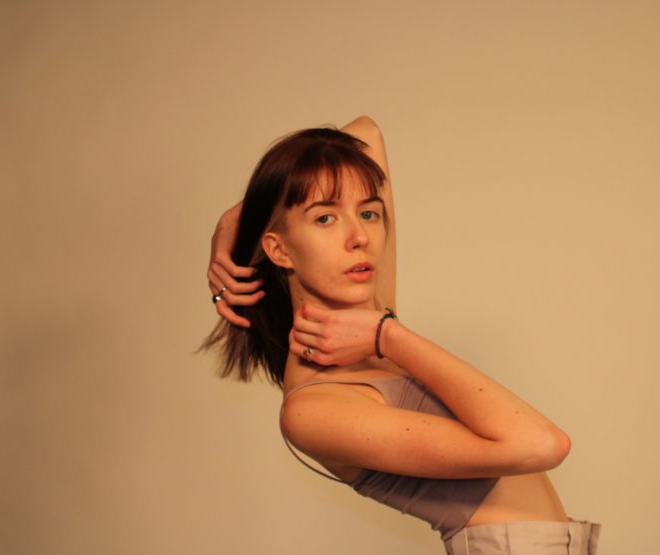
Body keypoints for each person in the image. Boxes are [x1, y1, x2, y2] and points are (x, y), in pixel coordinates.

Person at [201, 116, 601, 554]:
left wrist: (232, 220)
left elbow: (366, 132)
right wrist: (387, 335)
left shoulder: (372, 315)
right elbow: (542, 444)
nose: (359, 236)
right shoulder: (313, 409)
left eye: (368, 213)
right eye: (325, 218)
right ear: (278, 249)